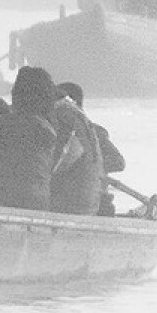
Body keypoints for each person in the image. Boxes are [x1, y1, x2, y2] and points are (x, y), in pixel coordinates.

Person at [0, 67, 67, 212]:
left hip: (11, 201)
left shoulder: (13, 124)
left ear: (19, 93)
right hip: (40, 201)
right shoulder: (48, 123)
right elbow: (17, 125)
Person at [55, 81, 125, 214]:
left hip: (95, 202)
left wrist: (91, 166)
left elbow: (118, 162)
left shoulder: (95, 133)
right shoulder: (60, 130)